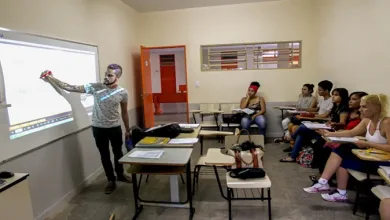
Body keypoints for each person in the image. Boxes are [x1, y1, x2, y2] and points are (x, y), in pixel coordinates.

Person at [40, 64, 131, 194]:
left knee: (118, 153)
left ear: (118, 77)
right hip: (99, 129)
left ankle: (120, 174)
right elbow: (69, 87)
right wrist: (50, 78)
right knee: (104, 155)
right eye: (106, 73)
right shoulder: (95, 87)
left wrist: (127, 129)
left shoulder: (123, 92)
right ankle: (111, 180)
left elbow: (125, 112)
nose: (106, 77)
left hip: (115, 128)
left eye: (110, 75)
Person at [303, 94, 390, 202]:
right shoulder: (367, 121)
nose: (360, 109)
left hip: (383, 163)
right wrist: (329, 134)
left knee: (342, 157)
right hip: (371, 158)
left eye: (364, 107)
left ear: (376, 108)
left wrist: (368, 144)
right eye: (361, 106)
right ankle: (326, 184)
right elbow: (351, 133)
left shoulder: (386, 122)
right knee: (341, 151)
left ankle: (331, 188)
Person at [279, 88, 349, 162]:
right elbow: (329, 118)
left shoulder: (343, 109)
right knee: (301, 132)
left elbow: (342, 123)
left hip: (332, 132)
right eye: (333, 94)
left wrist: (332, 123)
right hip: (326, 127)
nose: (333, 97)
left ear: (342, 97)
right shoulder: (335, 107)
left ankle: (292, 140)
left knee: (302, 128)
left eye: (336, 95)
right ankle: (293, 155)